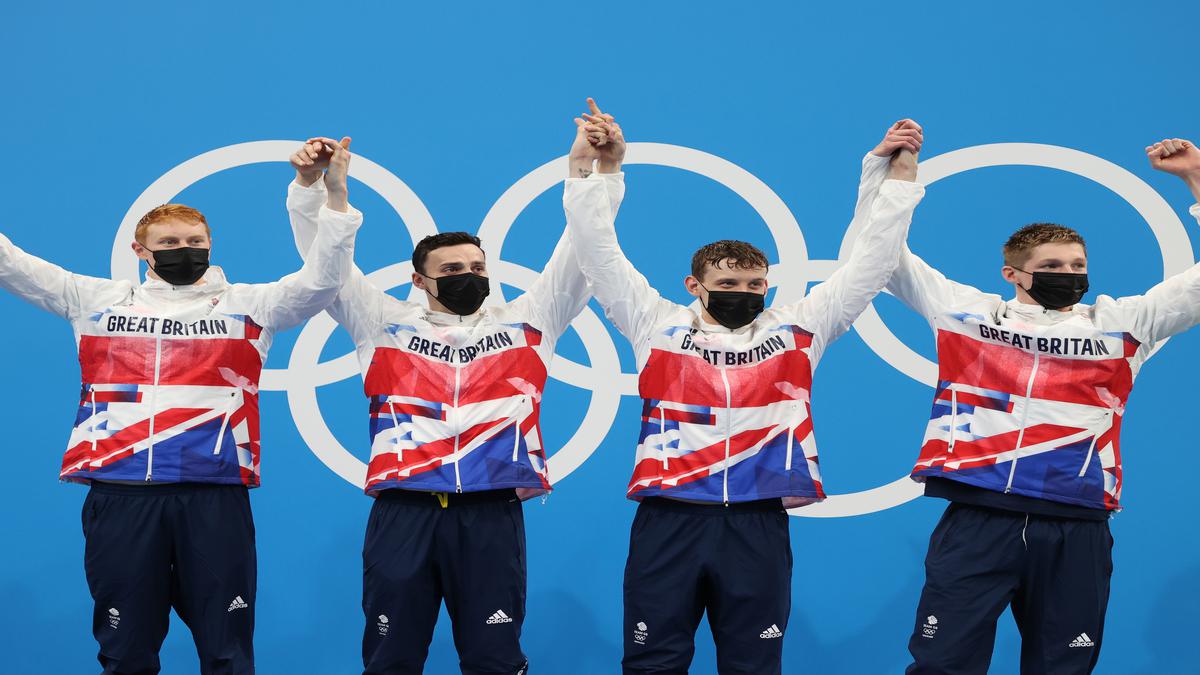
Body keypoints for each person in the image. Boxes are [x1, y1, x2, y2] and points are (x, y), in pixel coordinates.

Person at [562, 98, 927, 675]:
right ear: (694, 284)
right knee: (652, 663)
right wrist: (597, 170)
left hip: (758, 522)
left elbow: (871, 264)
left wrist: (896, 177)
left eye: (756, 282)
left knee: (754, 665)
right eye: (729, 282)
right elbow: (596, 253)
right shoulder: (654, 324)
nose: (745, 291)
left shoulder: (801, 330)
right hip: (670, 517)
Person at [0, 138, 361, 674]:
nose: (183, 248)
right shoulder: (95, 300)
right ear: (141, 252)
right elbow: (12, 264)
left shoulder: (253, 304)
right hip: (120, 496)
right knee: (124, 654)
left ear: (212, 246)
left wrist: (329, 193)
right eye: (168, 241)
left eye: (195, 240)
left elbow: (325, 280)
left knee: (227, 653)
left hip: (212, 498)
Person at [285, 128, 625, 675]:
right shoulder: (381, 323)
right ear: (419, 281)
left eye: (475, 267)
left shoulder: (529, 322)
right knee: (390, 660)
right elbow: (326, 270)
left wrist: (591, 175)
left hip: (491, 513)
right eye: (451, 270)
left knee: (494, 660)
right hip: (404, 511)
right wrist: (315, 190)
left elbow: (584, 254)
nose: (467, 276)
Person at [893, 138, 1200, 674]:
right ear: (1012, 273)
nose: (1069, 273)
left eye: (1078, 264)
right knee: (941, 666)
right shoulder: (966, 314)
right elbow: (881, 256)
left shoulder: (1122, 324)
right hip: (978, 518)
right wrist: (893, 178)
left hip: (1076, 527)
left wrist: (1197, 177)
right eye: (1053, 264)